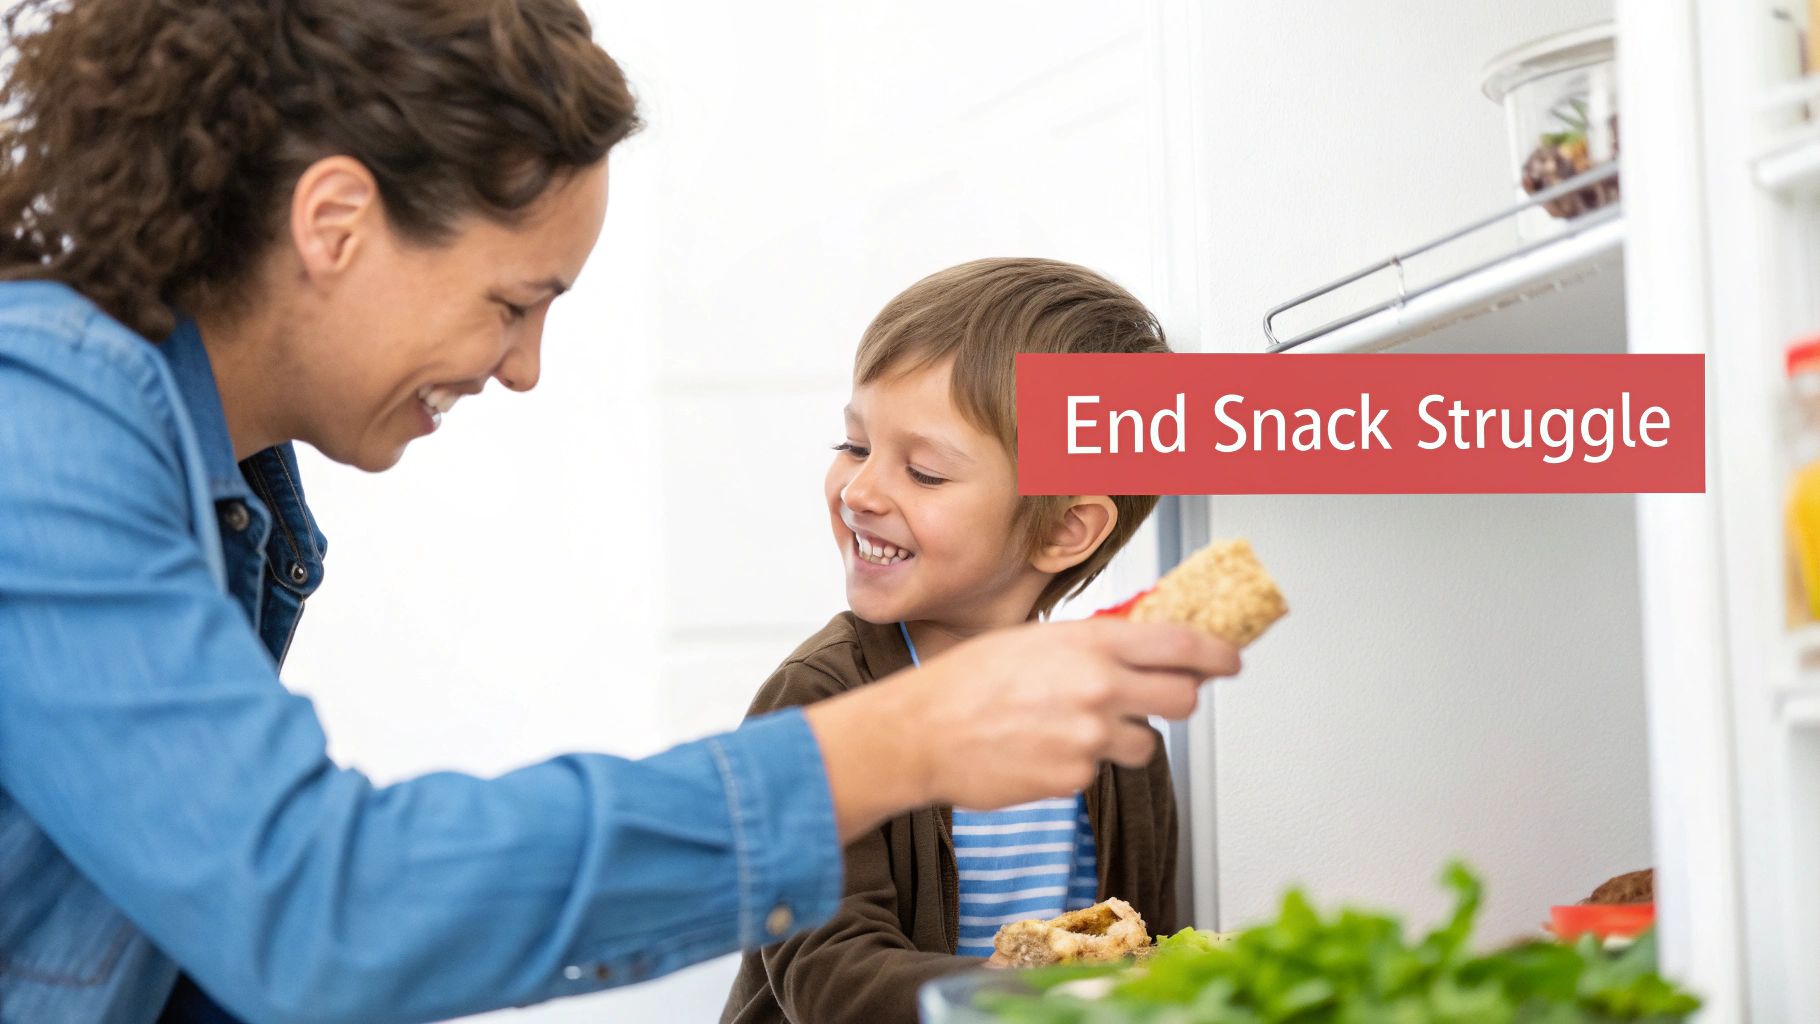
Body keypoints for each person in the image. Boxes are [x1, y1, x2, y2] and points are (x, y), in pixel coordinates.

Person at [0, 2, 1240, 1023]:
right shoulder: (40, 428)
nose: (523, 366)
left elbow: (174, 937)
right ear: (335, 224)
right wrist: (891, 745)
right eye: (511, 302)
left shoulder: (214, 486)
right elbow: (317, 906)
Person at [720, 259, 1183, 1024]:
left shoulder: (1117, 735)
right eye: (854, 444)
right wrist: (1008, 989)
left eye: (925, 473)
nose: (860, 491)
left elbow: (1147, 958)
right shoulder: (819, 700)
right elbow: (825, 976)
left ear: (1065, 529)